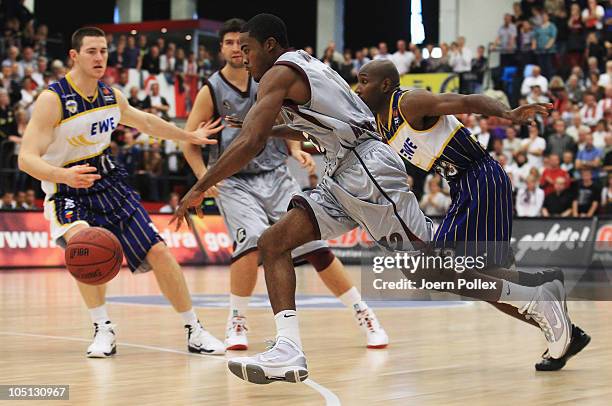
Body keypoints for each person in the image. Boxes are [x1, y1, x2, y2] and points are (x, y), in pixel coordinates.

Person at [172, 14, 578, 382]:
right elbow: (313, 131)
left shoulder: (283, 73)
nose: (242, 58)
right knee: (273, 242)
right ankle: (289, 350)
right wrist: (270, 128)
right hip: (341, 174)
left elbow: (251, 140)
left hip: (372, 174)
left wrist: (198, 186)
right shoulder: (302, 70)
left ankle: (537, 299)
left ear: (271, 45)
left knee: (431, 270)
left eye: (247, 48)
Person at [356, 59, 588, 371]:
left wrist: (507, 113)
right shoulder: (380, 122)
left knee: (435, 267)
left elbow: (466, 101)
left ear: (385, 85)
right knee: (485, 280)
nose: (358, 88)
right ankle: (559, 319)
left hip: (480, 178)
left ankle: (542, 292)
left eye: (363, 81)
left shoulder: (409, 103)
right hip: (466, 185)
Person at [17, 27, 226, 358]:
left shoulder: (111, 95)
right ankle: (103, 328)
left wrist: (189, 136)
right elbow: (26, 158)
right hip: (67, 186)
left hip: (109, 181)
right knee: (83, 245)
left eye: (103, 51)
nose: (100, 57)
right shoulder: (53, 99)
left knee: (159, 252)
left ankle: (195, 329)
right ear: (74, 55)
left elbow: (145, 122)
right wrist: (63, 175)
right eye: (92, 51)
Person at [181, 19, 387, 351]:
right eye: (231, 43)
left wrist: (295, 150)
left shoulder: (269, 74)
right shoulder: (212, 89)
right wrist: (202, 180)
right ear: (222, 49)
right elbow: (190, 141)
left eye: (242, 44)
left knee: (314, 247)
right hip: (235, 181)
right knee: (250, 245)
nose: (238, 50)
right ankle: (238, 321)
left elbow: (292, 123)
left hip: (276, 174)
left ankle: (363, 312)